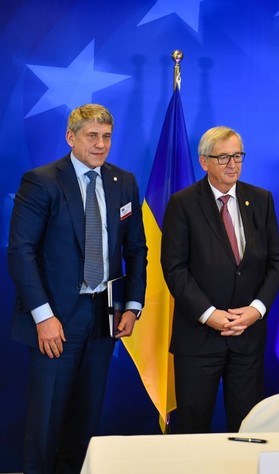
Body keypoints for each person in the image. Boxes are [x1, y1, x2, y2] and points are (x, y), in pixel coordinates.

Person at [7, 104, 148, 474]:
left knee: (85, 422)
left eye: (107, 137)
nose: (100, 145)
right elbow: (21, 253)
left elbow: (136, 250)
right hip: (56, 319)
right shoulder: (42, 181)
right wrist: (43, 317)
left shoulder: (124, 182)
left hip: (103, 319)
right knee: (45, 424)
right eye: (92, 136)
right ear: (71, 137)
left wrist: (132, 305)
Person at [161, 126, 279, 433]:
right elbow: (175, 269)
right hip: (198, 339)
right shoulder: (183, 203)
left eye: (238, 156)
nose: (233, 164)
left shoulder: (261, 200)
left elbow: (275, 263)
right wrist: (209, 314)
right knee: (193, 429)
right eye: (224, 157)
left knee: (247, 428)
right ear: (204, 162)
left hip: (247, 337)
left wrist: (256, 310)